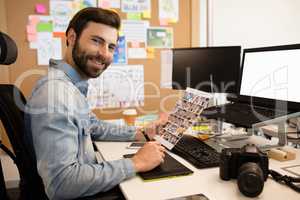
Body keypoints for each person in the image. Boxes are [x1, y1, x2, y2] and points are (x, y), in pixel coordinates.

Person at [25, 7, 165, 200]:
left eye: (111, 47)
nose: (104, 54)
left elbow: (93, 126)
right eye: (96, 41)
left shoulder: (71, 86)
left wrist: (140, 133)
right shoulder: (56, 95)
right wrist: (136, 163)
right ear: (72, 37)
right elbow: (61, 183)